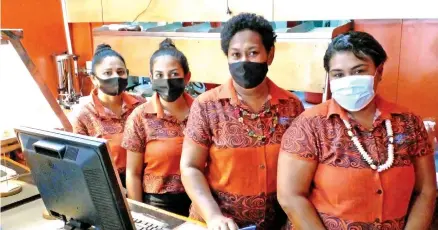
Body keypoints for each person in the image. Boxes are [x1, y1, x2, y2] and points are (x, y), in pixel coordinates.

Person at [277, 31, 436, 230]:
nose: (349, 81)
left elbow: (426, 191)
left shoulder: (408, 123)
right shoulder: (310, 126)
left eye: (359, 71)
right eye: (338, 74)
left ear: (379, 71)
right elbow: (290, 196)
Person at [180, 13, 305, 230]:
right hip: (218, 224)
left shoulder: (292, 106)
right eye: (235, 54)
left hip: (275, 224)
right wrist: (213, 216)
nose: (243, 61)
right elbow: (190, 167)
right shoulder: (207, 106)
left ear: (270, 55)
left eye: (253, 53)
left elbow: (301, 171)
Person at [121, 38, 193, 216]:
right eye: (159, 75)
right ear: (152, 78)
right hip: (158, 204)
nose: (167, 81)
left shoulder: (202, 112)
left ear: (187, 77)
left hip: (201, 201)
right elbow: (133, 173)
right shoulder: (139, 117)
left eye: (174, 74)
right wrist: (137, 215)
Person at [70, 44, 145, 186]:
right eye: (107, 73)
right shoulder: (83, 115)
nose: (116, 77)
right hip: (107, 184)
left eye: (120, 71)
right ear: (94, 79)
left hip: (144, 181)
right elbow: (80, 164)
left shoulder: (140, 105)